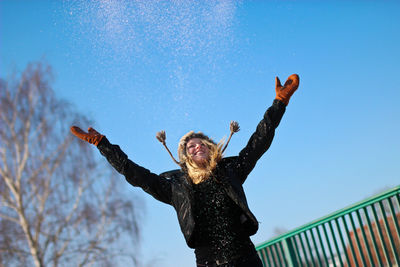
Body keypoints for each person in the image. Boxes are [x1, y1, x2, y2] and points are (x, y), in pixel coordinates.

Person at [70, 74, 299, 267]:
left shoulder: (231, 171)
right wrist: (103, 144)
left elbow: (259, 142)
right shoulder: (176, 188)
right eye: (191, 146)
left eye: (201, 143)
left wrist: (279, 103)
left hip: (246, 258)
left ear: (210, 149)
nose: (197, 146)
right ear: (185, 156)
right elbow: (133, 173)